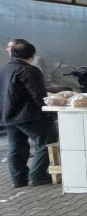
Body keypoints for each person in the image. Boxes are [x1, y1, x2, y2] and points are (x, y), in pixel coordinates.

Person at [0, 42, 52, 187]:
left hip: (8, 115)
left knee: (16, 147)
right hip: (27, 115)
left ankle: (19, 180)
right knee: (46, 141)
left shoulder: (4, 70)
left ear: (12, 53)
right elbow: (38, 94)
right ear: (33, 54)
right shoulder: (29, 70)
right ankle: (37, 176)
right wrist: (49, 112)